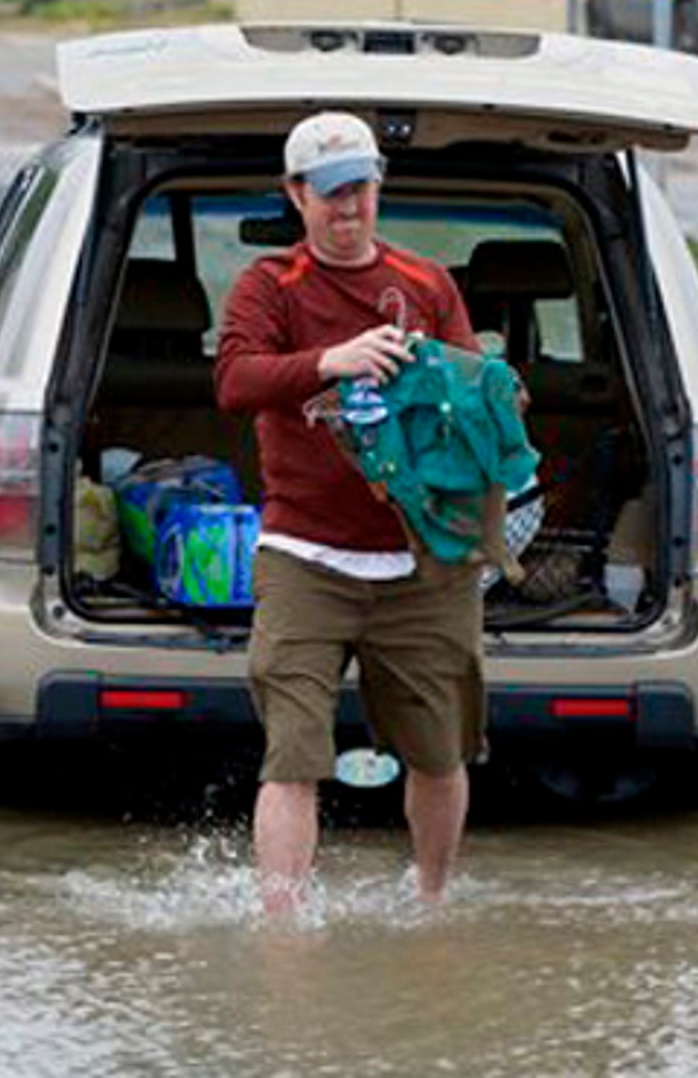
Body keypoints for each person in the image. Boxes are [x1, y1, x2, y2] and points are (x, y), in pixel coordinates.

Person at [215, 111, 484, 916]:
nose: (349, 208)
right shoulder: (269, 285)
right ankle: (282, 925)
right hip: (304, 555)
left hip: (423, 561)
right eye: (330, 193)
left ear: (378, 187)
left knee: (440, 752)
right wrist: (330, 362)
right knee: (292, 756)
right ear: (296, 196)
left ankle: (433, 908)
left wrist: (456, 393)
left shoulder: (429, 284)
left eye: (361, 188)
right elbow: (235, 380)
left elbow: (473, 393)